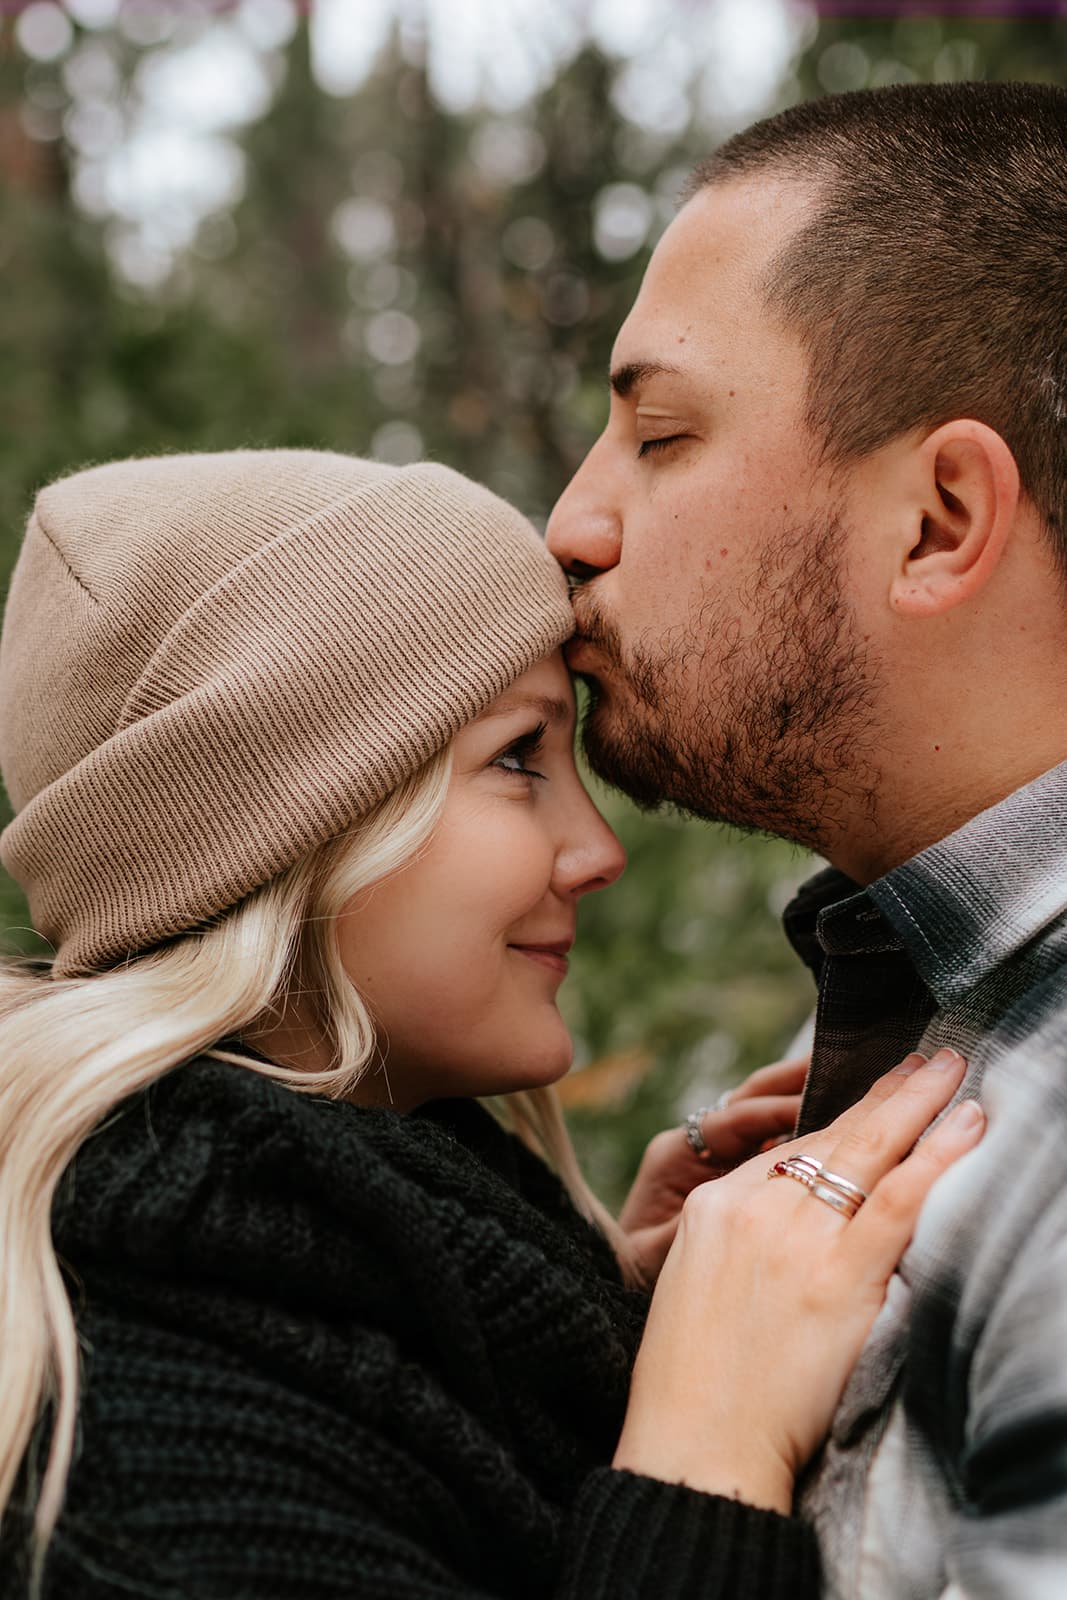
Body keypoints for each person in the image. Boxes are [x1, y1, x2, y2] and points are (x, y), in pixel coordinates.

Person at [0, 449, 982, 1599]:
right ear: (285, 830)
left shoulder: (292, 1275)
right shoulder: (149, 1487)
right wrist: (704, 1451)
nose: (597, 849)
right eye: (517, 756)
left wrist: (605, 1322)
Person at [546, 78, 1067, 1599]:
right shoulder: (924, 1019)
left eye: (657, 433)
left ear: (937, 521)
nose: (570, 523)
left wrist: (694, 1467)